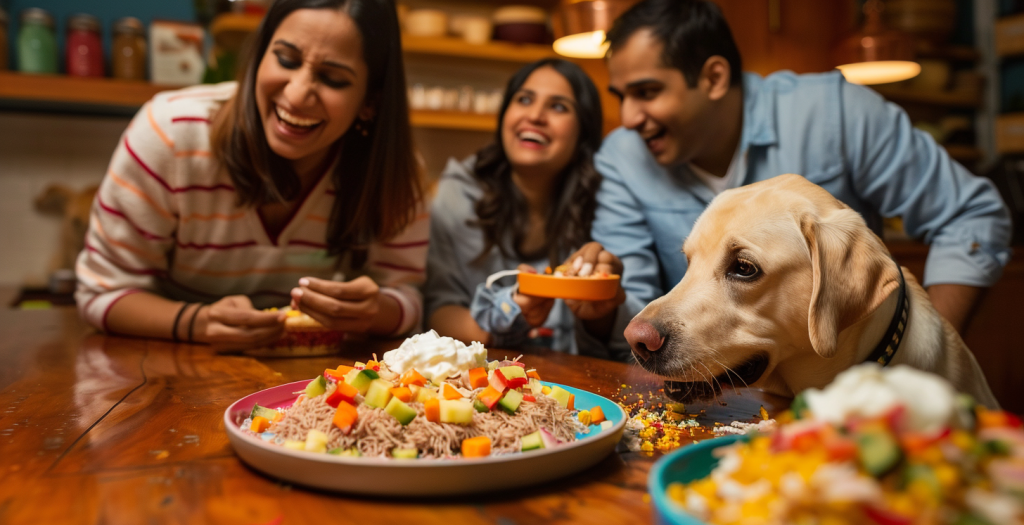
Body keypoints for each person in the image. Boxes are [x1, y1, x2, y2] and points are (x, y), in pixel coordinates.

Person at [568, 0, 1013, 362]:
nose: (628, 118)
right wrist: (603, 312)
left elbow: (971, 216)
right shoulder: (622, 159)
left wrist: (930, 353)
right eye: (620, 96)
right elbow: (644, 313)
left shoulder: (836, 113)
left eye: (647, 93)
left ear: (714, 78)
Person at [75, 0, 428, 352]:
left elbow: (408, 299)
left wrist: (374, 311)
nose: (296, 94)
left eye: (332, 79)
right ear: (259, 57)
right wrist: (195, 322)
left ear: (371, 101)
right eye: (286, 59)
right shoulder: (168, 135)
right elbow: (102, 292)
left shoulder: (393, 172)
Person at [424, 58, 605, 352]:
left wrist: (603, 300)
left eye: (558, 106)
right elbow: (438, 312)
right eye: (524, 99)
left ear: (583, 132)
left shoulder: (607, 200)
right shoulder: (458, 192)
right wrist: (506, 313)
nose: (534, 115)